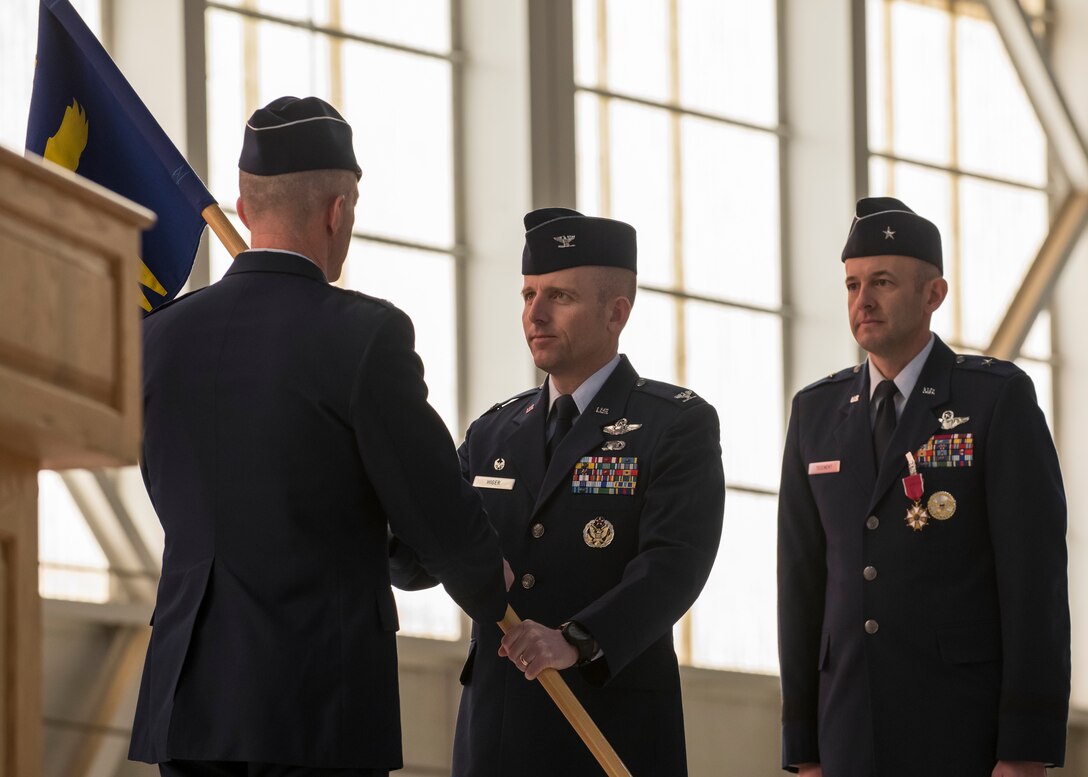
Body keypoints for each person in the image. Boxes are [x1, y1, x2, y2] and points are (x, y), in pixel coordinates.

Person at [129, 96, 510, 777]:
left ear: (244, 209)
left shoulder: (156, 338)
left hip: (188, 696)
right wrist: (491, 584)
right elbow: (432, 504)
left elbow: (165, 480)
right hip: (314, 697)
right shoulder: (364, 336)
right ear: (338, 211)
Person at [391, 207, 725, 775]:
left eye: (560, 297)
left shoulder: (675, 423)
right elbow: (422, 554)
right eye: (528, 295)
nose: (535, 315)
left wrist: (579, 638)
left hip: (607, 722)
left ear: (617, 312)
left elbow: (674, 565)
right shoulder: (493, 430)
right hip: (497, 731)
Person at [777, 196, 1070, 777]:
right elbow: (800, 585)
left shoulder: (993, 400)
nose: (864, 300)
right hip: (847, 731)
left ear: (933, 294)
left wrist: (1025, 746)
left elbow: (1034, 581)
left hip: (962, 728)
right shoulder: (816, 411)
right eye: (853, 285)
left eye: (882, 282)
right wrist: (802, 749)